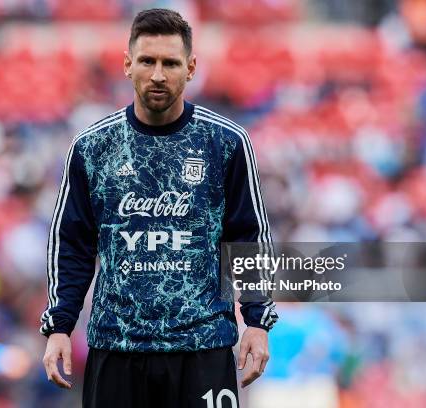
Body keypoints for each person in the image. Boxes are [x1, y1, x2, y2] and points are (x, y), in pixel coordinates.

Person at [40, 8, 278, 407]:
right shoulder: (92, 148)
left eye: (170, 63)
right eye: (147, 61)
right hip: (117, 345)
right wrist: (60, 326)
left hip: (202, 346)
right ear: (127, 65)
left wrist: (256, 322)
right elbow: (72, 245)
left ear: (191, 68)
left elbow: (248, 238)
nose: (157, 74)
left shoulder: (226, 143)